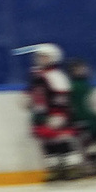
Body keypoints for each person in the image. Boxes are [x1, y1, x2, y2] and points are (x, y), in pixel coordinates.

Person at [24, 44, 79, 181]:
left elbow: (63, 97)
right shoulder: (36, 75)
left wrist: (58, 115)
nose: (40, 59)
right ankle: (54, 169)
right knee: (48, 144)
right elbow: (33, 93)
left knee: (62, 141)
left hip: (56, 114)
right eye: (39, 57)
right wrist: (28, 100)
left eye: (44, 57)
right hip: (42, 114)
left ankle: (71, 168)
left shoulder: (56, 76)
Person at [64, 56, 96, 177]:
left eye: (83, 68)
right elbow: (72, 106)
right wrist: (74, 120)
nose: (83, 70)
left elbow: (93, 104)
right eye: (78, 69)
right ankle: (88, 167)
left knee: (95, 144)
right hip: (82, 120)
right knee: (85, 144)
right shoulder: (73, 87)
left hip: (92, 120)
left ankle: (95, 165)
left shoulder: (86, 85)